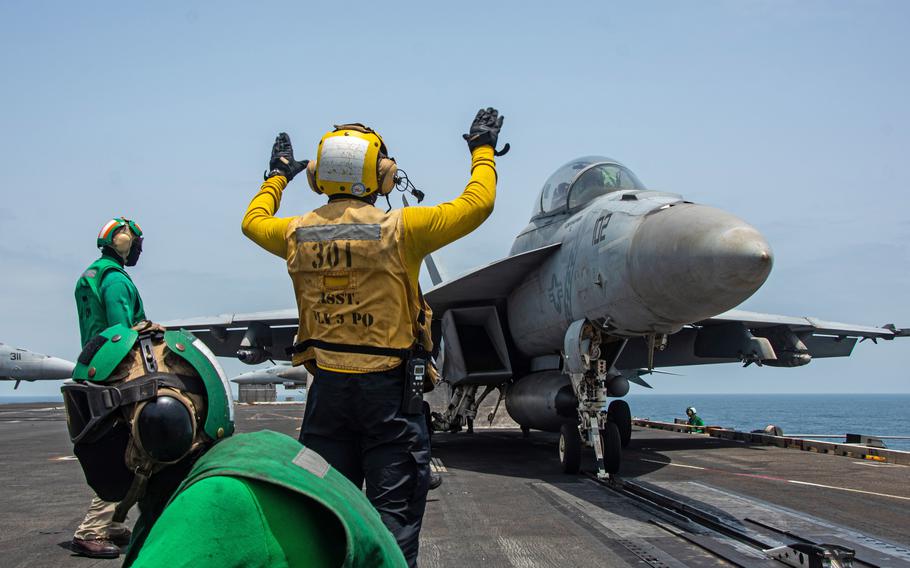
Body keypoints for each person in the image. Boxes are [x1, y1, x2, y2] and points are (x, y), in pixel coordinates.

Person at [241, 108, 506, 566]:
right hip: (389, 399)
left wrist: (277, 178)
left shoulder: (294, 233)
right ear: (381, 173)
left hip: (327, 396)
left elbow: (252, 220)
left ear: (319, 175)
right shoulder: (402, 229)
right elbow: (476, 204)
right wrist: (482, 150)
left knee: (326, 517)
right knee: (393, 522)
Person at [62, 322, 406, 567]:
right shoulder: (259, 455)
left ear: (161, 423)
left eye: (93, 414)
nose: (84, 435)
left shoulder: (216, 503)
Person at [69, 217, 145, 558]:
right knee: (130, 448)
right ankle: (92, 530)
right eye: (137, 244)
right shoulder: (115, 280)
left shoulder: (90, 275)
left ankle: (113, 522)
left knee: (126, 446)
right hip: (115, 369)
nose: (139, 251)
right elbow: (121, 331)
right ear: (124, 243)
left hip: (93, 365)